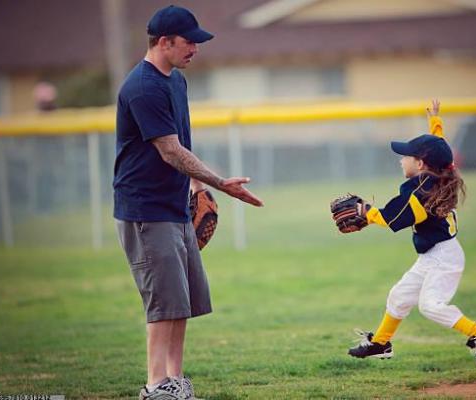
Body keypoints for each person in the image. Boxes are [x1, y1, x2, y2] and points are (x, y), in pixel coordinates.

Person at [113, 5, 263, 399]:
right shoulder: (142, 87)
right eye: (189, 41)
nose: (196, 47)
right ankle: (154, 386)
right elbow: (169, 150)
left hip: (174, 205)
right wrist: (219, 183)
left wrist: (197, 188)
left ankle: (175, 382)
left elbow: (183, 145)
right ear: (164, 42)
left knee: (183, 301)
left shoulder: (174, 82)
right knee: (163, 302)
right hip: (145, 210)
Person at [346, 100, 476, 367]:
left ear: (420, 163)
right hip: (434, 254)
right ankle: (381, 343)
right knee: (399, 295)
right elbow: (442, 151)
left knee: (430, 306)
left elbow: (391, 218)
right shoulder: (439, 172)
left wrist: (364, 211)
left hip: (445, 257)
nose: (400, 159)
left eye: (405, 156)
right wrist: (435, 123)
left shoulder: (420, 191)